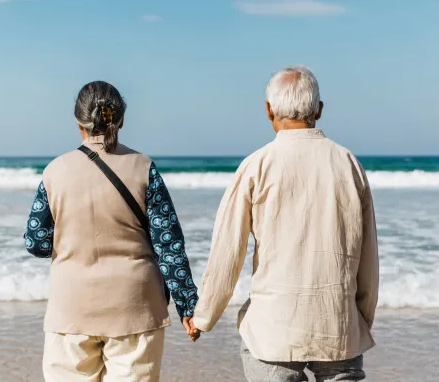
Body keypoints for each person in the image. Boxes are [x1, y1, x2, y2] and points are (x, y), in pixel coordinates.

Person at [189, 66, 379, 382]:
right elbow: (368, 258)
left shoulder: (256, 166)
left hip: (272, 330)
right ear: (318, 110)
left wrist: (203, 317)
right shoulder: (349, 164)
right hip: (338, 326)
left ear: (269, 111)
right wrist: (359, 320)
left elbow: (227, 254)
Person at [24, 81, 198, 382]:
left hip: (71, 308)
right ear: (121, 120)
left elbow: (36, 242)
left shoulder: (54, 171)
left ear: (78, 121)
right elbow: (168, 245)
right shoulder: (144, 167)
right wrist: (188, 305)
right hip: (136, 308)